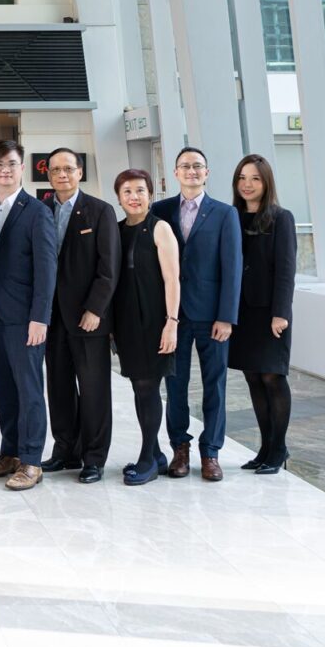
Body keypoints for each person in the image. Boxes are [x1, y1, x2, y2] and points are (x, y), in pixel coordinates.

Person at [152, 147, 242, 483]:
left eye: (198, 166)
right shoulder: (160, 211)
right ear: (175, 172)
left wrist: (226, 317)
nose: (191, 171)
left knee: (214, 385)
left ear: (207, 173)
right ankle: (180, 449)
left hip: (211, 317)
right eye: (185, 166)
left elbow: (232, 269)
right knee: (174, 385)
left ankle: (211, 453)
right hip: (173, 315)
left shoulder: (224, 214)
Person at [0, 139, 57, 491]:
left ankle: (32, 460)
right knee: (4, 390)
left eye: (11, 164)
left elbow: (47, 268)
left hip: (26, 320)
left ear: (22, 167)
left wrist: (40, 317)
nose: (4, 170)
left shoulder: (37, 211)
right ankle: (9, 453)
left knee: (29, 390)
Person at [41, 148, 120, 484]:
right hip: (51, 317)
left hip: (87, 316)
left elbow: (109, 268)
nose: (62, 175)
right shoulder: (41, 210)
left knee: (93, 388)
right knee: (58, 386)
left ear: (80, 172)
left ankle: (94, 457)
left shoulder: (100, 211)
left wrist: (95, 309)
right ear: (49, 175)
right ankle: (66, 450)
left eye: (68, 169)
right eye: (56, 169)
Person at [109, 169, 180, 485]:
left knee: (147, 387)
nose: (134, 197)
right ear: (119, 198)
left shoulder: (160, 228)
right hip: (126, 322)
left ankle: (148, 458)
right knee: (139, 386)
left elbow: (172, 279)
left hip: (155, 320)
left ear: (150, 194)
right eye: (127, 192)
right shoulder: (115, 229)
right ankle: (158, 455)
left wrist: (172, 323)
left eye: (140, 190)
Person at [229, 154, 297, 475]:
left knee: (273, 376)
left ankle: (279, 447)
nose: (247, 184)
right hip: (242, 311)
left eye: (255, 178)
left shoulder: (281, 218)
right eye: (243, 178)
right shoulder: (232, 217)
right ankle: (265, 447)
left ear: (266, 182)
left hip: (270, 313)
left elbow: (286, 270)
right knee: (253, 377)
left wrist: (280, 313)